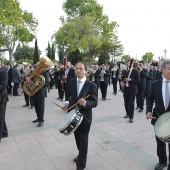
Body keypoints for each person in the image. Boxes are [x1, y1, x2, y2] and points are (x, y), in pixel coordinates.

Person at [62, 61, 98, 170]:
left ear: (85, 70)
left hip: (85, 117)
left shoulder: (91, 85)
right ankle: (81, 154)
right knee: (77, 138)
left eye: (81, 69)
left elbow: (95, 102)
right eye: (76, 68)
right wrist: (67, 103)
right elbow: (69, 94)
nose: (78, 70)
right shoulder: (72, 82)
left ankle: (80, 166)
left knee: (83, 141)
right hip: (73, 116)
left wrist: (86, 103)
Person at [146, 60, 170, 170]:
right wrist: (148, 110)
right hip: (159, 118)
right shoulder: (155, 84)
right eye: (169, 69)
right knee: (160, 142)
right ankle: (162, 161)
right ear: (163, 69)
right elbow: (150, 98)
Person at [26, 62, 49, 127]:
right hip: (34, 91)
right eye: (37, 65)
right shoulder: (33, 72)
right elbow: (29, 78)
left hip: (41, 92)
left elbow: (47, 82)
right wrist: (28, 79)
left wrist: (39, 84)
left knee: (41, 107)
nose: (38, 66)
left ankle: (41, 120)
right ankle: (38, 118)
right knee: (36, 106)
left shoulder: (44, 72)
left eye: (39, 65)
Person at [0, 60, 8, 141]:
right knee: (1, 116)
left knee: (0, 116)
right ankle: (4, 132)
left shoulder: (3, 72)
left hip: (2, 98)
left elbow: (3, 86)